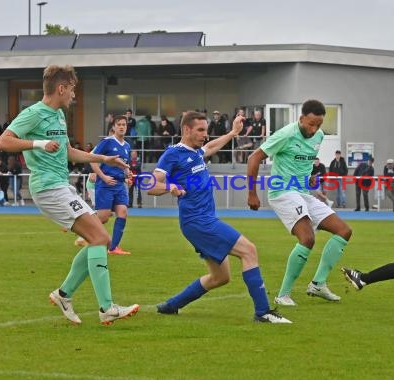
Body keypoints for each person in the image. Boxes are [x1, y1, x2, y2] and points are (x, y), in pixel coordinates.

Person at [0, 64, 138, 325]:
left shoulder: (59, 115)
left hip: (61, 186)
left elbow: (69, 152)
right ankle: (106, 308)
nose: (75, 95)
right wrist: (38, 143)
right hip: (48, 188)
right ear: (61, 88)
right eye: (72, 89)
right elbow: (3, 141)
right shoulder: (34, 113)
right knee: (98, 238)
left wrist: (105, 158)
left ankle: (64, 294)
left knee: (102, 239)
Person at [148, 111, 290, 323]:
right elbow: (150, 184)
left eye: (206, 130)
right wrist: (170, 187)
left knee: (220, 277)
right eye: (201, 130)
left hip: (202, 221)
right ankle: (263, 312)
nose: (205, 134)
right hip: (198, 222)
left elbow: (212, 146)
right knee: (249, 250)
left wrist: (233, 132)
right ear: (186, 130)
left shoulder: (196, 152)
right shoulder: (173, 155)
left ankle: (171, 305)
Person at [247, 99, 352, 306]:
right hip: (282, 192)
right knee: (307, 238)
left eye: (318, 125)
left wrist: (310, 176)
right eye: (311, 124)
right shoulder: (286, 134)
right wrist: (252, 193)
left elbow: (303, 162)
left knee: (344, 231)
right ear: (301, 118)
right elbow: (253, 158)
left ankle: (318, 283)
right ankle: (283, 294)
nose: (314, 129)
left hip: (302, 192)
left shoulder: (319, 136)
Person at [90, 115, 132, 255]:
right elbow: (93, 160)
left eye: (124, 124)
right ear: (113, 127)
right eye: (119, 124)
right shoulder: (107, 142)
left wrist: (128, 174)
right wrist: (103, 177)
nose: (121, 126)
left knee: (123, 213)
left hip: (119, 185)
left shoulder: (127, 146)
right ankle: (82, 229)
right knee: (103, 217)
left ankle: (113, 248)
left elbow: (125, 166)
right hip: (105, 184)